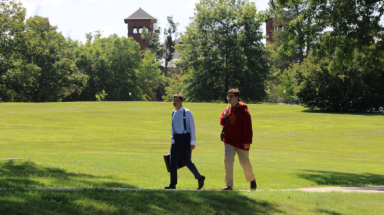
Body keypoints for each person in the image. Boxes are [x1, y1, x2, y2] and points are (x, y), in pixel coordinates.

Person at [165, 94, 205, 190]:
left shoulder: (187, 112)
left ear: (181, 101)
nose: (174, 102)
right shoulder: (173, 113)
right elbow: (172, 127)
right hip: (175, 139)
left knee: (187, 161)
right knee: (172, 161)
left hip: (185, 139)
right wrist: (172, 137)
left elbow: (192, 127)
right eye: (173, 100)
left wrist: (193, 142)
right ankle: (173, 184)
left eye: (176, 100)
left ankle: (199, 177)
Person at [220, 89, 257, 190]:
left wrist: (247, 141)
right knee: (228, 160)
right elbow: (222, 123)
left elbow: (248, 127)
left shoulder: (244, 111)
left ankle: (252, 180)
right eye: (228, 96)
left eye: (231, 96)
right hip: (229, 140)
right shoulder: (227, 109)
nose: (229, 98)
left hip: (241, 141)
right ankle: (229, 185)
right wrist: (224, 115)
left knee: (244, 162)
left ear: (237, 97)